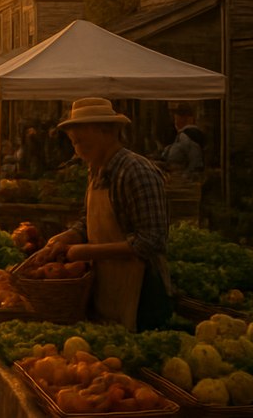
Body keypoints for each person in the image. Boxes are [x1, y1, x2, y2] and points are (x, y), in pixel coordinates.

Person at [37, 98, 172, 331]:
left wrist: (87, 251)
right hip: (107, 288)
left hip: (142, 294)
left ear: (106, 130)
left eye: (80, 140)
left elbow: (152, 240)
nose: (76, 148)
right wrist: (69, 236)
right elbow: (88, 219)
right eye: (73, 142)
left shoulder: (136, 171)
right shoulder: (96, 169)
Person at [157, 103, 205, 178]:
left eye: (177, 118)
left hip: (184, 178)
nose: (175, 121)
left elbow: (196, 161)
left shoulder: (186, 136)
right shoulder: (181, 136)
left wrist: (185, 176)